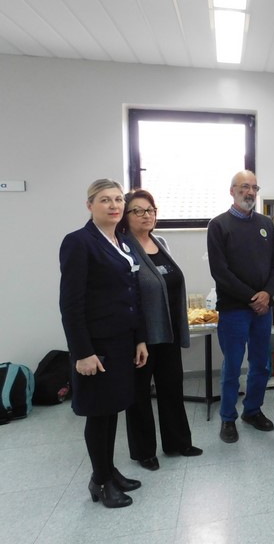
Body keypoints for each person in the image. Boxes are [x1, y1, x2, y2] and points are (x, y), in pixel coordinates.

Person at [59, 179, 148, 508]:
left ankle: (109, 471)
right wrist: (82, 352)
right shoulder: (78, 242)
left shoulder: (120, 241)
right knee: (99, 413)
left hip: (122, 341)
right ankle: (99, 481)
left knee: (113, 409)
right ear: (90, 205)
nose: (114, 205)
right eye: (105, 200)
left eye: (118, 200)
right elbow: (71, 304)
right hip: (96, 346)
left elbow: (132, 294)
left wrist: (139, 338)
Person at [120, 190, 202, 471]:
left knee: (171, 388)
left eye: (150, 210)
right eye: (138, 210)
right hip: (140, 336)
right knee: (139, 396)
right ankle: (144, 451)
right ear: (126, 216)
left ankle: (178, 442)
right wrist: (137, 337)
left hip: (167, 332)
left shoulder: (160, 242)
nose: (146, 215)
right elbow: (126, 297)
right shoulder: (122, 248)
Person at [207, 170, 274, 443]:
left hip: (263, 309)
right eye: (244, 187)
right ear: (232, 191)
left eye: (254, 187)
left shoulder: (265, 224)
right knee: (232, 367)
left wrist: (267, 294)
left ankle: (252, 410)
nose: (250, 192)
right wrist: (254, 298)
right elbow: (220, 272)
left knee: (261, 364)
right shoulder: (218, 225)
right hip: (234, 310)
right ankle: (228, 418)